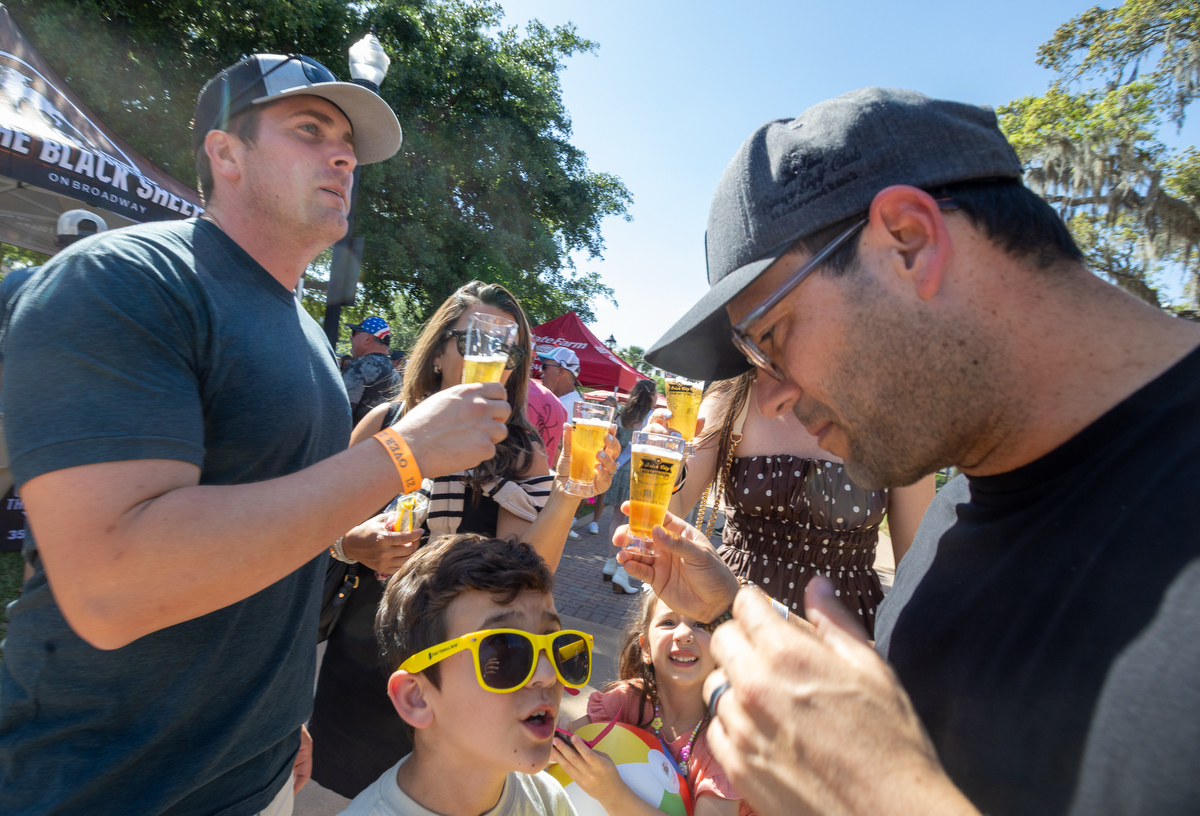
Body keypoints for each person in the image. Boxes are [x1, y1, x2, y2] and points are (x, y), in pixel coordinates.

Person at [620, 86, 1200, 816]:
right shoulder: (961, 507)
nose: (776, 391)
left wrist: (887, 797)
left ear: (909, 242)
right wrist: (732, 609)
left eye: (770, 337)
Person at [0, 53, 511, 816]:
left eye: (348, 145)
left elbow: (274, 525)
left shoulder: (303, 329)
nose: (343, 156)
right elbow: (112, 584)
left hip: (256, 770)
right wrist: (402, 455)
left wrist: (277, 716)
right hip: (105, 782)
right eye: (310, 130)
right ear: (225, 153)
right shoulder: (128, 279)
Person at [310, 280, 619, 798]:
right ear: (436, 353)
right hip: (364, 657)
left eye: (507, 348)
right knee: (349, 797)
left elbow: (528, 575)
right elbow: (318, 523)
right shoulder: (387, 423)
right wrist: (353, 544)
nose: (492, 357)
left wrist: (567, 492)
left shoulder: (520, 450)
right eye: (474, 339)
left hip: (465, 678)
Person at [671, 371, 935, 636]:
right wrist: (662, 459)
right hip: (736, 612)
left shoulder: (900, 415)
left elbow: (918, 571)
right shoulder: (734, 396)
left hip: (843, 627)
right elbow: (671, 513)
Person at [338, 533, 579, 816]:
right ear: (416, 698)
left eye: (557, 645)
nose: (548, 674)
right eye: (504, 651)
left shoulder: (547, 798)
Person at [554, 588, 753, 816]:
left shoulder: (727, 743)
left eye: (700, 624)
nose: (684, 634)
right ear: (646, 647)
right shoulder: (627, 699)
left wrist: (613, 794)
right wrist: (556, 741)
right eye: (668, 622)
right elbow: (565, 746)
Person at [0, 209, 109, 581]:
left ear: (56, 243)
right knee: (47, 521)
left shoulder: (19, 281)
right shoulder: (113, 294)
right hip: (77, 424)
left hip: (13, 409)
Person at [602, 378, 658, 593]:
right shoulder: (649, 419)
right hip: (638, 473)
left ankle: (609, 564)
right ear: (651, 395)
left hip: (619, 470)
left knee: (616, 519)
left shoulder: (623, 414)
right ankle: (622, 572)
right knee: (636, 524)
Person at [343, 316, 401, 425]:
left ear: (367, 339)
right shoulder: (395, 374)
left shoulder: (358, 367)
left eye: (355, 333)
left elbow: (339, 411)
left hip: (352, 440)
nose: (351, 337)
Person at [526, 377, 569, 465]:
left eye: (545, 366)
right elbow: (557, 461)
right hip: (545, 476)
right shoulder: (558, 404)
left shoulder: (505, 395)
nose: (541, 370)